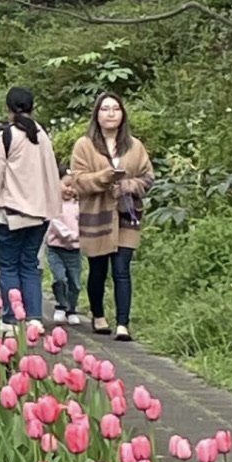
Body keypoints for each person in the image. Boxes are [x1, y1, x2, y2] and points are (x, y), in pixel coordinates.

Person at [0, 86, 63, 330]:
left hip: (10, 215)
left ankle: (12, 319)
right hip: (40, 215)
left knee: (8, 267)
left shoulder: (6, 136)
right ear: (32, 107)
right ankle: (34, 318)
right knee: (30, 265)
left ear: (8, 108)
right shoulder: (42, 135)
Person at [67, 93, 153, 341]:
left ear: (123, 114)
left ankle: (123, 323)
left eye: (116, 108)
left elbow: (148, 178)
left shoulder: (135, 146)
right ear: (97, 114)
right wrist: (105, 177)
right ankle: (98, 315)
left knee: (122, 268)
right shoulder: (84, 145)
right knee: (98, 268)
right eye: (105, 109)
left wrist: (128, 185)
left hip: (127, 214)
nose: (111, 113)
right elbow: (78, 181)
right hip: (97, 215)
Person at [46, 166, 83, 325]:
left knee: (74, 281)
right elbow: (54, 223)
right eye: (66, 185)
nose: (70, 190)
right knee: (59, 278)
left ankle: (71, 309)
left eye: (74, 187)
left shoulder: (80, 206)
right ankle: (61, 305)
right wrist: (72, 236)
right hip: (56, 248)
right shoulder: (54, 204)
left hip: (74, 250)